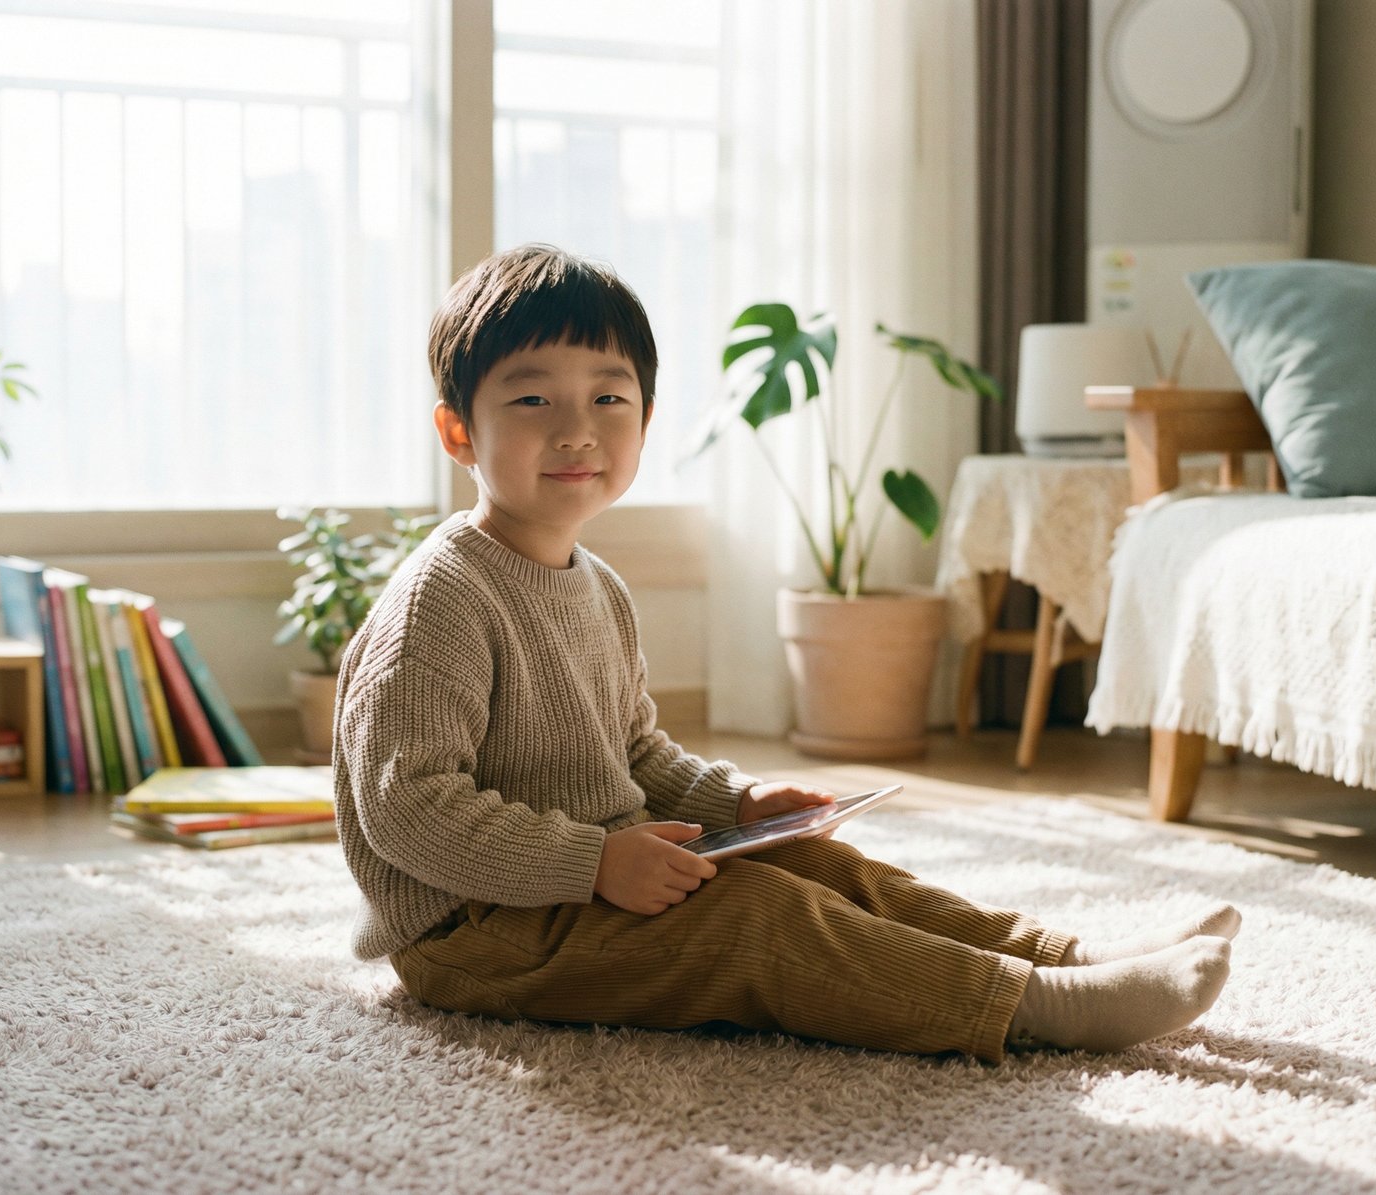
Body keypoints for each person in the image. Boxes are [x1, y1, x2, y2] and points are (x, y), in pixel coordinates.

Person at [333, 243, 1237, 1063]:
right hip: (479, 932)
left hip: (587, 876)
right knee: (756, 920)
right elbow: (407, 807)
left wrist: (739, 802)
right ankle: (1027, 1006)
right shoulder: (441, 597)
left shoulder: (595, 584)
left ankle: (1059, 957)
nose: (577, 429)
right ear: (459, 432)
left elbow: (636, 753)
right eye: (533, 399)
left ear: (644, 420)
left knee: (819, 866)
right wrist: (593, 863)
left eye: (608, 397)